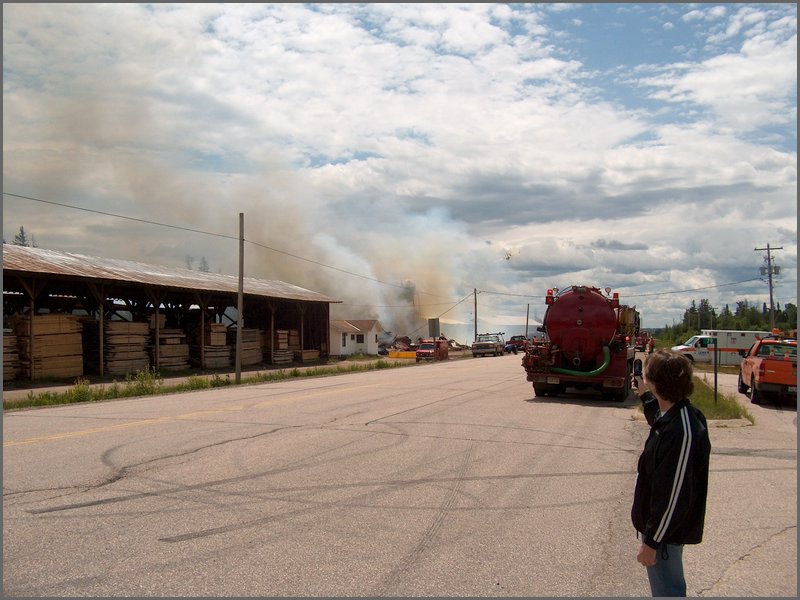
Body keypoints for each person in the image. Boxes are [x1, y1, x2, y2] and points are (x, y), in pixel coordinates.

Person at [631, 349, 711, 597]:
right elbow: (658, 418)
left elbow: (674, 492)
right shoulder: (674, 415)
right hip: (661, 529)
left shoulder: (681, 430)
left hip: (664, 534)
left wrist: (653, 542)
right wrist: (645, 396)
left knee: (669, 591)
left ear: (657, 382)